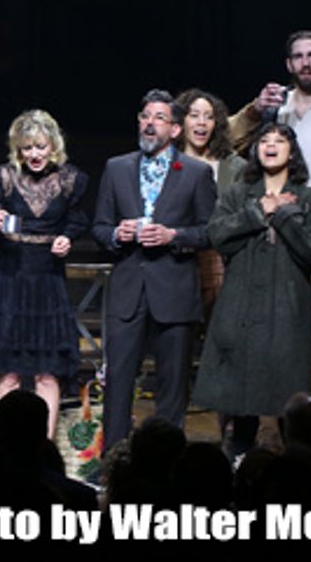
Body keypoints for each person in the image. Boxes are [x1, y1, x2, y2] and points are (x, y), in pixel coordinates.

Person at [230, 30, 311, 403]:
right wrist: (255, 109)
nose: (306, 62)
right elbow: (230, 139)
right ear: (289, 64)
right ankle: (270, 432)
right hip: (267, 234)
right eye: (299, 57)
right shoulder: (274, 107)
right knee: (268, 331)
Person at [91, 89, 215, 445]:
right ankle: (114, 461)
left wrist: (173, 235)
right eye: (145, 117)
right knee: (118, 382)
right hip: (128, 290)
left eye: (159, 118)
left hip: (174, 292)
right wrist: (117, 232)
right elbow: (98, 227)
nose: (149, 124)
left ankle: (167, 464)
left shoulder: (195, 173)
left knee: (172, 386)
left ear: (176, 129)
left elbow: (211, 232)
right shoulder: (117, 168)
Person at [192, 123, 311, 435]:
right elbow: (217, 235)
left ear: (291, 151)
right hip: (242, 306)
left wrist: (282, 214)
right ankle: (238, 460)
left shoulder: (309, 199)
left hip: (287, 307)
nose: (270, 145)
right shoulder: (238, 194)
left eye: (279, 141)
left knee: (286, 402)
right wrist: (258, 211)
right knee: (240, 402)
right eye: (264, 140)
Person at [0, 109, 88, 440]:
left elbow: (78, 220)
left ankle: (44, 447)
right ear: (17, 149)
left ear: (53, 145)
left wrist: (68, 237)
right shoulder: (2, 178)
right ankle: (10, 446)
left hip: (48, 283)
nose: (34, 155)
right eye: (27, 148)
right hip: (9, 280)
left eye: (40, 146)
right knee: (7, 373)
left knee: (47, 375)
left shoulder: (70, 181)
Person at [175, 88, 247, 319]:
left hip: (220, 257)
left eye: (209, 116)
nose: (202, 122)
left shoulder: (233, 166)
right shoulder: (165, 162)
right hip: (177, 255)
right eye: (194, 115)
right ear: (181, 121)